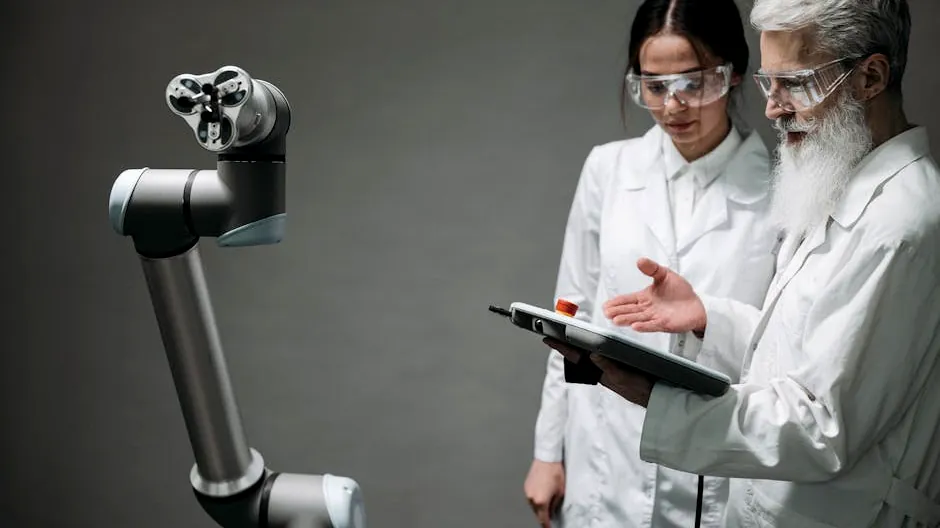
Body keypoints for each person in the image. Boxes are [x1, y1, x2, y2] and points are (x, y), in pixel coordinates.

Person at [571, 0, 940, 526]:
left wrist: (655, 397)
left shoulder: (899, 225)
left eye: (795, 83)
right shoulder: (841, 185)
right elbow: (801, 355)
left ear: (870, 77)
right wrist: (708, 317)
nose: (772, 108)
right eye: (771, 84)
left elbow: (820, 428)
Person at [523, 1, 781, 526]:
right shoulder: (608, 169)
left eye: (694, 83)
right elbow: (568, 315)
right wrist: (548, 452)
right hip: (606, 452)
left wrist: (709, 315)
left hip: (715, 460)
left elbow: (784, 346)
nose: (673, 106)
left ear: (732, 75)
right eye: (654, 87)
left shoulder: (782, 186)